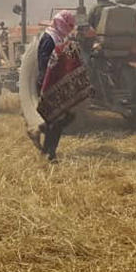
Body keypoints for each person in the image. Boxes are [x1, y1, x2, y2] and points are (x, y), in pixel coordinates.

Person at [25, 10, 87, 161]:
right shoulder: (49, 39)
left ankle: (38, 130)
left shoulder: (58, 37)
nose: (69, 28)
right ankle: (49, 154)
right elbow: (44, 64)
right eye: (68, 25)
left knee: (65, 117)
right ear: (60, 23)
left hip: (56, 82)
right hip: (48, 83)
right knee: (56, 120)